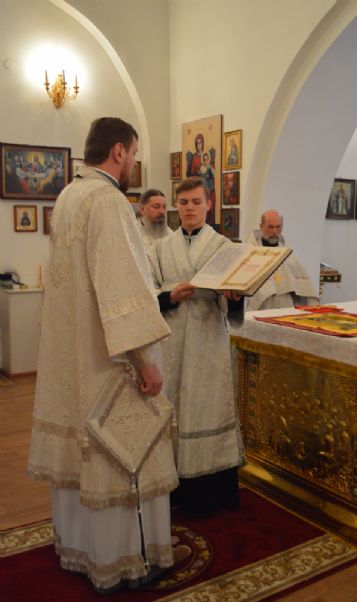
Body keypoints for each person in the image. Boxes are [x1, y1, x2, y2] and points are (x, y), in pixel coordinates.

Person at [28, 117, 178, 594]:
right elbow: (121, 288)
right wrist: (146, 361)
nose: (133, 162)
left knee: (84, 454)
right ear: (117, 151)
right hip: (109, 361)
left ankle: (81, 548)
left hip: (74, 356)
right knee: (123, 455)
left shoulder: (69, 196)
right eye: (133, 153)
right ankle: (122, 559)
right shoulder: (109, 201)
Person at [149, 176, 244, 518]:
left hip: (208, 339)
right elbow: (148, 291)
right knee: (173, 406)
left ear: (209, 204)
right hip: (172, 340)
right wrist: (169, 296)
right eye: (184, 202)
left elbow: (233, 302)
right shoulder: (160, 248)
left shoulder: (224, 247)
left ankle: (209, 493)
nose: (189, 208)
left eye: (196, 202)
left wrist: (234, 297)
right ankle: (173, 489)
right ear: (177, 206)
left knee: (207, 406)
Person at [247, 209, 318, 310]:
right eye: (270, 227)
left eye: (278, 227)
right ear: (261, 227)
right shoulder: (250, 252)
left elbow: (302, 282)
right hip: (262, 305)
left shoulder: (288, 253)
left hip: (286, 303)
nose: (274, 232)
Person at [138, 188, 172, 253]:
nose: (162, 211)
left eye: (164, 207)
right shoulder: (133, 232)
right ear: (142, 209)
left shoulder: (170, 234)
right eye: (156, 207)